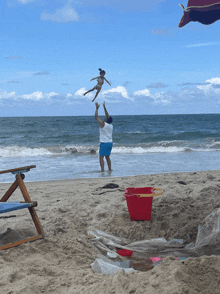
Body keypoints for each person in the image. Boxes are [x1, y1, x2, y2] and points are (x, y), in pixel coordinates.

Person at [95, 101, 113, 172]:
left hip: (104, 143)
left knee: (101, 157)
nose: (105, 117)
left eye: (106, 118)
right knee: (107, 157)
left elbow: (96, 117)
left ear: (107, 120)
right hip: (110, 143)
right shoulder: (111, 125)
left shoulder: (103, 124)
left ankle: (102, 170)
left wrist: (97, 108)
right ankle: (109, 169)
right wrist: (104, 107)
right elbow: (108, 116)